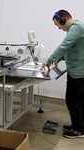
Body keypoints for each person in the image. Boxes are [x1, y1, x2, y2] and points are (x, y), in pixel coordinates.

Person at [40, 9, 84, 138]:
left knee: (73, 101)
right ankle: (79, 125)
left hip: (78, 72)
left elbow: (65, 46)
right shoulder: (77, 28)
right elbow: (74, 48)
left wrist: (49, 60)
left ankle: (79, 130)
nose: (58, 28)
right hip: (78, 70)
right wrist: (62, 58)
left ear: (63, 20)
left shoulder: (76, 28)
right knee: (79, 101)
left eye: (57, 24)